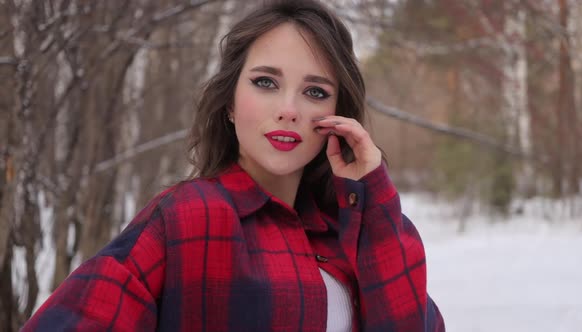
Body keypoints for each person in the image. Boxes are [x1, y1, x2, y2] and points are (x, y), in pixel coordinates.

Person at [22, 0, 444, 331]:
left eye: (315, 92)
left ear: (337, 113)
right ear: (228, 101)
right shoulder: (188, 217)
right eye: (266, 83)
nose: (289, 109)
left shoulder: (350, 230)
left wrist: (370, 200)